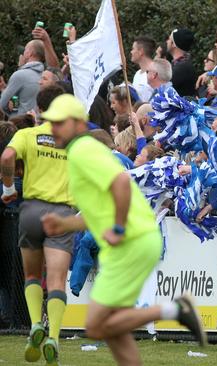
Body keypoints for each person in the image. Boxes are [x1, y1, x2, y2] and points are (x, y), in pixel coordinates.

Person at [41, 94, 205, 365]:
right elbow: (97, 211)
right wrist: (65, 224)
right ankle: (175, 310)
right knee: (110, 328)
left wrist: (117, 228)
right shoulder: (81, 152)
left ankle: (175, 309)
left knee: (96, 325)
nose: (52, 129)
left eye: (58, 123)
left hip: (131, 241)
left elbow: (119, 184)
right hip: (137, 239)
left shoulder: (82, 151)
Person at [1, 93, 76, 365]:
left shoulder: (28, 135)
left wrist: (8, 188)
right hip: (62, 213)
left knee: (32, 275)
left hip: (32, 211)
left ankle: (35, 324)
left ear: (39, 109)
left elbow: (7, 157)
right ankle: (54, 337)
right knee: (57, 282)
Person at [0, 40, 45, 117]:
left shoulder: (20, 75)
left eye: (25, 50)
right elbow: (20, 97)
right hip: (40, 122)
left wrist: (13, 114)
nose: (23, 54)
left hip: (22, 123)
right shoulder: (47, 75)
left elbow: (3, 103)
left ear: (30, 53)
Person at [166, 28, 197, 97]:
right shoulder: (181, 64)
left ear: (173, 44)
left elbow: (164, 86)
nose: (166, 41)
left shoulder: (182, 68)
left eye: (169, 39)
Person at [130, 36, 156, 102]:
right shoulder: (137, 74)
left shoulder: (156, 71)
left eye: (133, 49)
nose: (131, 52)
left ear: (141, 51)